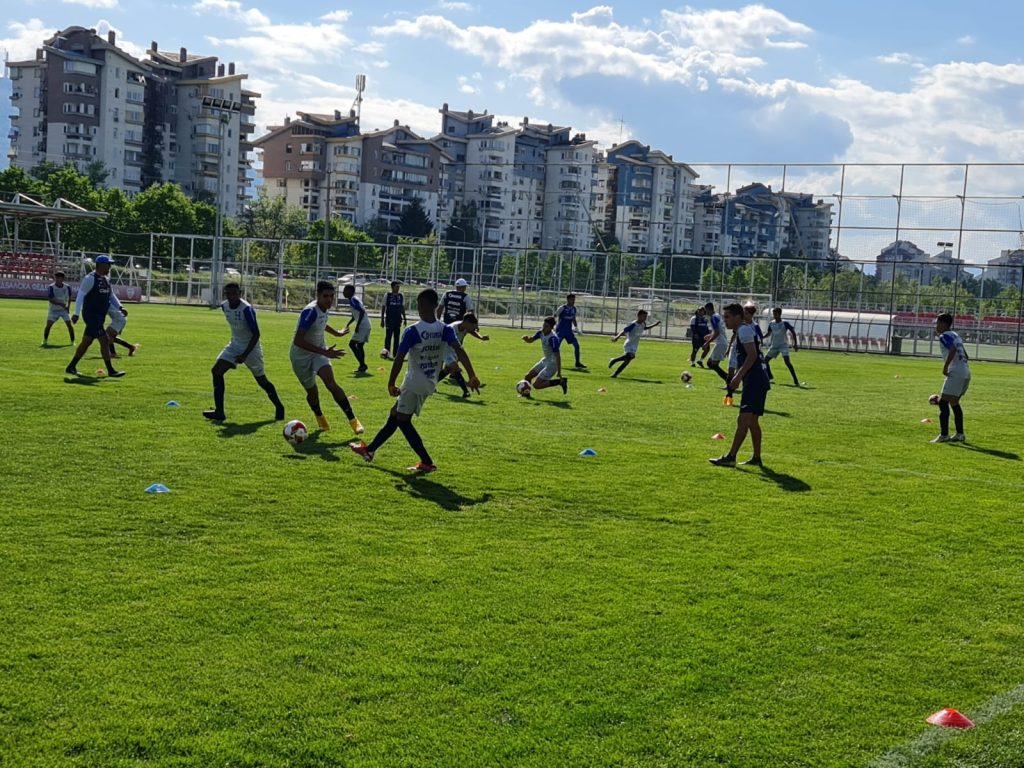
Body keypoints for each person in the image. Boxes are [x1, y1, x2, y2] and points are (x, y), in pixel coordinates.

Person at [350, 288, 480, 472]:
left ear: (424, 306)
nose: (419, 308)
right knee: (394, 414)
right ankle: (369, 450)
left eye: (420, 305)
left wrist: (391, 383)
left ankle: (426, 462)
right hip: (429, 381)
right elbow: (460, 350)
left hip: (413, 382)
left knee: (403, 420)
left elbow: (399, 358)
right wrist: (472, 375)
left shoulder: (413, 330)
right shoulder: (444, 329)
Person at [203, 282, 285, 422]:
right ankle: (219, 412)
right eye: (229, 294)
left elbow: (256, 334)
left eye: (235, 293)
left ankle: (279, 407)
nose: (232, 296)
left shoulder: (246, 309)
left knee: (261, 380)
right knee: (216, 371)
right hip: (235, 345)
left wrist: (245, 355)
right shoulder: (224, 306)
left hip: (251, 348)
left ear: (240, 294)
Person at [290, 281, 363, 435]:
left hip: (319, 353)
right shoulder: (310, 311)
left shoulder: (324, 309)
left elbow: (322, 323)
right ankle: (319, 416)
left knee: (331, 384)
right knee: (312, 392)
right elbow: (298, 340)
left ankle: (353, 420)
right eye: (325, 296)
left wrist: (337, 333)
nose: (329, 299)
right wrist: (325, 352)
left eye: (331, 296)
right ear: (317, 295)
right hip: (300, 357)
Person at [710, 303, 771, 467]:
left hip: (755, 380)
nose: (725, 320)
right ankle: (756, 458)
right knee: (752, 422)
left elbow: (752, 356)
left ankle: (731, 457)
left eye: (727, 317)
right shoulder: (743, 330)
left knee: (743, 420)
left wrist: (738, 376)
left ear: (738, 317)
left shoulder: (743, 330)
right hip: (758, 379)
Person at [65, 255, 125, 378]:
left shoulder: (106, 279)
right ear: (100, 265)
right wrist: (76, 313)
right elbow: (80, 296)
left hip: (100, 316)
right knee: (104, 340)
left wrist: (120, 307)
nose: (110, 267)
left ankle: (71, 366)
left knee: (86, 342)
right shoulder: (90, 279)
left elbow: (111, 295)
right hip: (91, 315)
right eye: (108, 264)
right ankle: (111, 370)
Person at [931, 312, 971, 443]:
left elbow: (953, 349)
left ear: (943, 323)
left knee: (943, 402)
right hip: (965, 371)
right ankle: (960, 434)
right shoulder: (955, 335)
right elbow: (966, 355)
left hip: (956, 372)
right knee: (954, 402)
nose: (936, 326)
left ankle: (944, 435)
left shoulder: (944, 336)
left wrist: (946, 367)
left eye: (937, 323)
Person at [438, 312, 488, 398]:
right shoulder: (453, 328)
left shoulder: (465, 327)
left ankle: (430, 384)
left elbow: (472, 332)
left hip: (454, 348)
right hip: (444, 347)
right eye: (473, 326)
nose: (474, 328)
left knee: (448, 369)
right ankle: (466, 392)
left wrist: (481, 337)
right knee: (454, 366)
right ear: (466, 322)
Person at [522, 316, 568, 395]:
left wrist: (559, 372)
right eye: (543, 325)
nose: (544, 328)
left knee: (536, 385)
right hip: (545, 360)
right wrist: (526, 339)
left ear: (551, 328)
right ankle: (526, 394)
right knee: (527, 377)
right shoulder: (541, 333)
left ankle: (560, 382)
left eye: (546, 326)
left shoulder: (553, 339)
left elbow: (558, 356)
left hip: (552, 364)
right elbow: (531, 340)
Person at [608, 309, 660, 378]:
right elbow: (624, 330)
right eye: (644, 316)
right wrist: (617, 337)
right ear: (639, 316)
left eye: (646, 317)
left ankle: (615, 374)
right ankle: (614, 360)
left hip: (635, 345)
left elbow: (645, 328)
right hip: (629, 343)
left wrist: (655, 325)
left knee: (627, 361)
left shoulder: (643, 324)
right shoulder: (633, 324)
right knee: (630, 356)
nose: (645, 318)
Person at [764, 306, 800, 386]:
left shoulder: (785, 323)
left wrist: (795, 344)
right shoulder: (771, 323)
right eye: (773, 314)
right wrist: (762, 337)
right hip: (774, 345)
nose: (774, 316)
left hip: (783, 345)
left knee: (787, 362)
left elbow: (793, 332)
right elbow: (769, 333)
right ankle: (769, 376)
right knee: (765, 361)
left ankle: (796, 380)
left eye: (775, 314)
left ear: (780, 314)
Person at [340, 283, 371, 373]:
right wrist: (348, 324)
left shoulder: (353, 299)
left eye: (345, 290)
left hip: (363, 325)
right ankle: (362, 366)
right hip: (366, 325)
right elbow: (355, 315)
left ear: (350, 291)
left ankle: (363, 365)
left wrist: (357, 326)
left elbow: (362, 311)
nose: (343, 292)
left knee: (352, 344)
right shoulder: (354, 299)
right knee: (360, 346)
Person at [555, 293, 586, 369]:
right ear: (568, 300)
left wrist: (576, 328)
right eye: (572, 300)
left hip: (569, 331)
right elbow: (554, 316)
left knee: (576, 345)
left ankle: (577, 363)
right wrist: (552, 326)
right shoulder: (562, 308)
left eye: (574, 300)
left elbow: (573, 319)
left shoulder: (574, 309)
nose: (573, 301)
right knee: (556, 347)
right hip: (560, 331)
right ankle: (554, 362)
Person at [703, 302, 730, 388]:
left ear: (708, 309)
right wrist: (710, 335)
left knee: (713, 364)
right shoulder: (717, 316)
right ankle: (728, 379)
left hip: (720, 343)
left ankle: (729, 380)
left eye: (705, 310)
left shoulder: (713, 318)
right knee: (710, 363)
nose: (705, 312)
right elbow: (718, 331)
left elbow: (717, 332)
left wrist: (707, 343)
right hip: (721, 342)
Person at [43, 270, 75, 345]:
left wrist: (68, 307)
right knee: (48, 325)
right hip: (53, 310)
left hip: (64, 310)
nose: (57, 279)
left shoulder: (67, 287)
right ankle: (45, 340)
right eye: (56, 278)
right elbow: (51, 300)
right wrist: (61, 304)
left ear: (63, 279)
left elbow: (70, 298)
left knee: (69, 325)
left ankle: (72, 342)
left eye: (59, 278)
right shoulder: (51, 287)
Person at [380, 280, 407, 358]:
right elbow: (383, 307)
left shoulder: (401, 295)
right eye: (397, 286)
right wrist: (382, 320)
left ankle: (396, 354)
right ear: (392, 287)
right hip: (389, 319)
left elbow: (402, 308)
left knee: (397, 337)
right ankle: (386, 353)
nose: (398, 288)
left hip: (398, 319)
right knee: (388, 337)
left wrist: (405, 318)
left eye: (399, 286)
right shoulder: (387, 295)